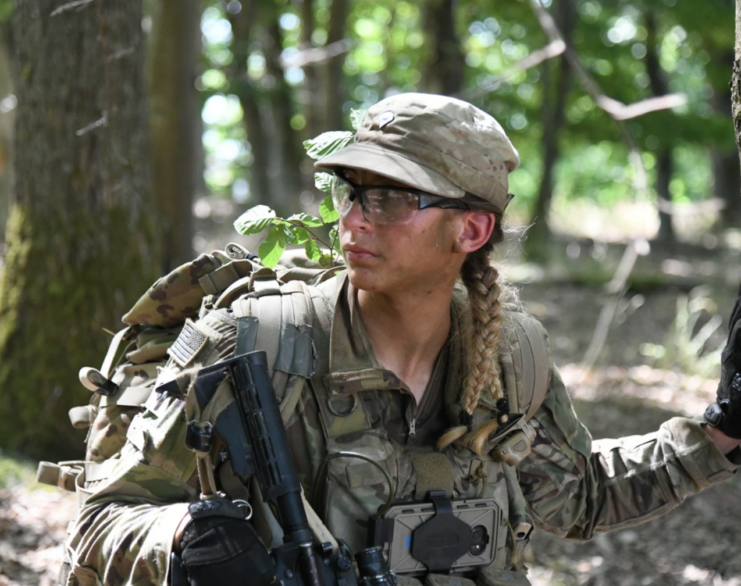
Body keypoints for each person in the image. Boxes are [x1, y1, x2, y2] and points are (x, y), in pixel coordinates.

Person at [63, 93, 741, 586]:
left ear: (470, 231)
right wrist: (182, 536)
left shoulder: (508, 354)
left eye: (388, 199)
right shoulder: (253, 348)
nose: (353, 221)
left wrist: (720, 434)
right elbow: (99, 524)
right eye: (350, 192)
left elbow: (575, 495)